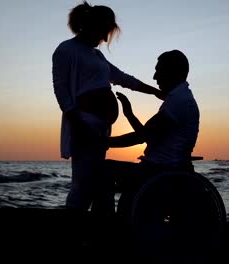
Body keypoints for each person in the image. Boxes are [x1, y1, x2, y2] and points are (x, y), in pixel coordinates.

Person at [51, 1, 162, 242]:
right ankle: (69, 236)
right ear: (93, 26)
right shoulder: (66, 50)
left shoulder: (97, 55)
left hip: (101, 126)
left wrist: (152, 91)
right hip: (84, 123)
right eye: (104, 32)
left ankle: (83, 234)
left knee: (91, 179)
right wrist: (75, 121)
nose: (104, 38)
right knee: (82, 180)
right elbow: (60, 89)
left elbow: (121, 77)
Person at [106, 50, 200, 214]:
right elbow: (148, 136)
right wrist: (129, 114)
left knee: (102, 170)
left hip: (159, 172)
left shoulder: (179, 101)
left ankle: (107, 224)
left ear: (173, 72)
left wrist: (103, 142)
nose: (155, 77)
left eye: (158, 70)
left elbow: (141, 136)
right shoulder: (179, 98)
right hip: (159, 169)